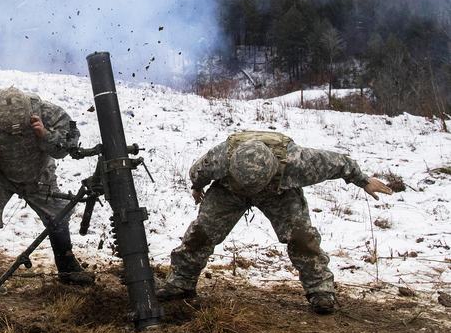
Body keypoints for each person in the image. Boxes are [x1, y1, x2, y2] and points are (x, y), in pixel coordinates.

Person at [157, 131, 393, 314]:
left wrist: (363, 180)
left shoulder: (296, 162)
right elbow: (198, 172)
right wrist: (197, 188)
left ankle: (320, 290)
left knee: (302, 237)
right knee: (202, 232)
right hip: (230, 191)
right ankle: (181, 282)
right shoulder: (219, 159)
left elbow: (339, 163)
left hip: (278, 191)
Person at [0, 86, 95, 302]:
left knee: (57, 217)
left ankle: (68, 269)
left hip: (38, 174)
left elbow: (68, 145)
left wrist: (46, 136)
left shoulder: (48, 112)